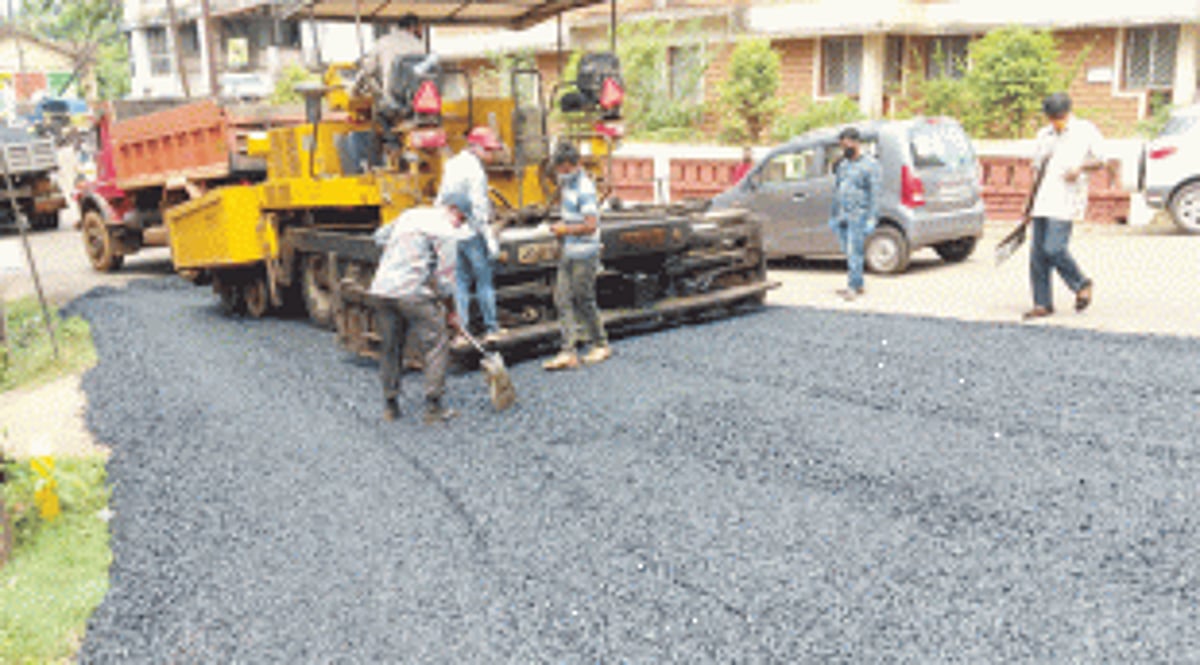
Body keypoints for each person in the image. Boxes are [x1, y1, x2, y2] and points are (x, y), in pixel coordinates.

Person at [369, 193, 470, 424]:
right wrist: (452, 311)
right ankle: (433, 408)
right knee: (436, 344)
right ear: (457, 212)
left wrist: (402, 257)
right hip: (413, 292)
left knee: (390, 346)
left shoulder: (411, 214)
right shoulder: (447, 231)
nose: (461, 224)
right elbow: (446, 280)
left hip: (382, 289)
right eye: (463, 220)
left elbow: (379, 237)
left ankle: (390, 406)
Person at [1023, 92, 1100, 320]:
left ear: (1068, 113)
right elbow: (1036, 170)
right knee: (1038, 255)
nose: (1056, 121)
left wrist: (1081, 168)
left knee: (1054, 248)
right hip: (1042, 200)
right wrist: (1028, 204)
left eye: (1059, 116)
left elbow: (1101, 159)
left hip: (1067, 200)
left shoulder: (1085, 131)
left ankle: (1081, 283)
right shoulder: (1044, 135)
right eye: (1052, 117)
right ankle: (1042, 303)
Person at [543, 142, 611, 371]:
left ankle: (600, 343)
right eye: (559, 169)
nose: (562, 174)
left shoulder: (584, 188)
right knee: (562, 299)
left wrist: (566, 230)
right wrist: (563, 228)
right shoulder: (567, 187)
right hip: (569, 251)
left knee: (584, 299)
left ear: (577, 165)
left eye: (566, 169)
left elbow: (591, 225)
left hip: (585, 252)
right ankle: (568, 351)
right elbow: (574, 219)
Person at [437, 126, 505, 342]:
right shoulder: (476, 171)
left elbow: (442, 199)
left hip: (453, 232)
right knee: (484, 282)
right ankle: (492, 329)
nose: (492, 155)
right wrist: (490, 239)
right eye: (489, 150)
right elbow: (479, 208)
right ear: (476, 148)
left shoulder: (452, 164)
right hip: (472, 233)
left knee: (461, 284)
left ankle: (462, 332)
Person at [828, 127, 880, 301]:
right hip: (842, 214)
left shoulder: (870, 165)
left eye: (847, 144)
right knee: (847, 250)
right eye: (842, 145)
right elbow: (838, 189)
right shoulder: (844, 164)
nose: (844, 148)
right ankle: (858, 282)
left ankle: (852, 287)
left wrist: (872, 217)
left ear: (856, 143)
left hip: (858, 214)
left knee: (854, 250)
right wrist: (834, 215)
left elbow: (875, 192)